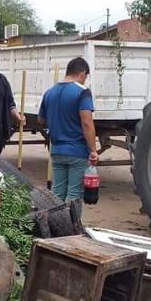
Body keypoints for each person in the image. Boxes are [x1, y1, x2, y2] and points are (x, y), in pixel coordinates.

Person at [37, 57, 99, 210]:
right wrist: (93, 150)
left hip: (57, 150)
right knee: (74, 195)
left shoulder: (49, 92)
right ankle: (72, 229)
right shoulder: (82, 92)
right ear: (83, 73)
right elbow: (87, 123)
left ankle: (56, 228)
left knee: (57, 194)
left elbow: (40, 120)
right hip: (77, 152)